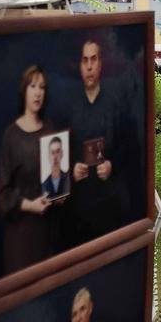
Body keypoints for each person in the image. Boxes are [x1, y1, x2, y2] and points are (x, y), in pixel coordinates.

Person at [64, 38, 129, 245]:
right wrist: (70, 170)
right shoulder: (70, 105)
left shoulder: (114, 103)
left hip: (108, 200)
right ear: (80, 65)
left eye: (94, 59)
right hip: (79, 204)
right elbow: (58, 149)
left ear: (101, 63)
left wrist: (113, 165)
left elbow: (127, 145)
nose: (90, 66)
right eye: (85, 60)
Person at [0, 66, 58, 274]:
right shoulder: (11, 136)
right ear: (24, 90)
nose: (38, 92)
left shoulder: (50, 129)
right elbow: (1, 194)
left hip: (47, 232)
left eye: (42, 87)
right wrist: (30, 205)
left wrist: (61, 193)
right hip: (20, 238)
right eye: (33, 86)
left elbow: (57, 179)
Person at [41, 134, 70, 199]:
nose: (55, 157)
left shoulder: (69, 179)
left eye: (57, 151)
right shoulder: (43, 186)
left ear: (62, 154)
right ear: (48, 156)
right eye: (52, 152)